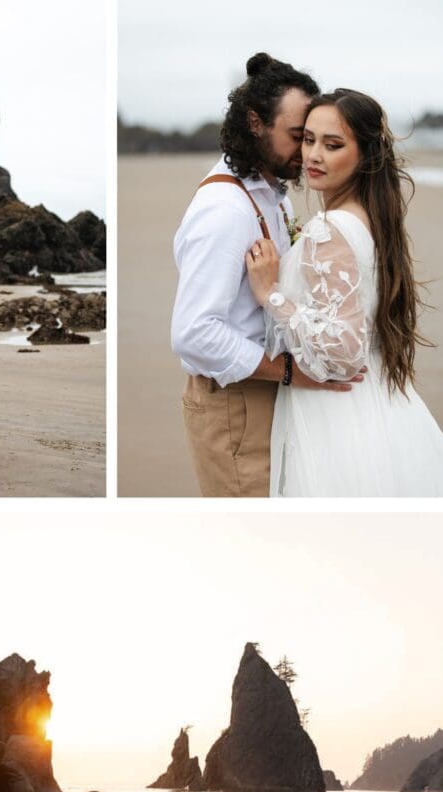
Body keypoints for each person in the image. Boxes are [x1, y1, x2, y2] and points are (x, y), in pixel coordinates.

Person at [246, 89, 443, 497]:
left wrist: (270, 293)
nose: (313, 155)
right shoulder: (372, 218)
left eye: (333, 145)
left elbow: (343, 355)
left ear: (364, 154)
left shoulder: (329, 229)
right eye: (308, 140)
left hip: (339, 417)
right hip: (381, 405)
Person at [171, 53, 365, 498]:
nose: (306, 152)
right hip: (235, 403)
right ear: (256, 122)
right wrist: (295, 373)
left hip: (267, 391)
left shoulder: (273, 193)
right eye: (298, 137)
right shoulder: (225, 211)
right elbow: (194, 334)